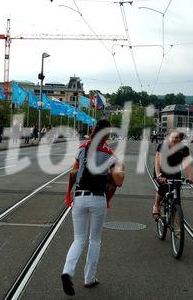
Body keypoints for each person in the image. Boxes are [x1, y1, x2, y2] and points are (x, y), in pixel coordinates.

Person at [61, 119, 124, 296]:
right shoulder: (109, 153)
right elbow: (118, 181)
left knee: (78, 239)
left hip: (80, 198)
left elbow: (73, 172)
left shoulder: (82, 148)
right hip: (97, 199)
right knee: (94, 239)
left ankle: (67, 272)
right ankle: (89, 278)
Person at [153, 130, 193, 221]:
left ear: (180, 139)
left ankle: (177, 227)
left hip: (175, 171)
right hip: (161, 170)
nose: (174, 139)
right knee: (164, 187)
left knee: (177, 194)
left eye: (177, 137)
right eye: (172, 137)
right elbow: (158, 161)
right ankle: (156, 206)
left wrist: (190, 176)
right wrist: (159, 175)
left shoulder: (184, 148)